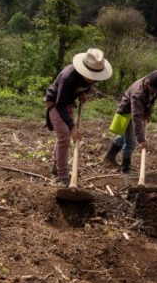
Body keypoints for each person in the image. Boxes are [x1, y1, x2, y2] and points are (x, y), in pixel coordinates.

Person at [46, 49, 113, 184]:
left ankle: (56, 165)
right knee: (65, 137)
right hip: (56, 103)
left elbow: (86, 85)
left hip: (68, 103)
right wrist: (72, 127)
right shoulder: (67, 78)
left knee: (62, 138)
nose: (93, 79)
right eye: (91, 75)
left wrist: (83, 93)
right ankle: (63, 177)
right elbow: (60, 105)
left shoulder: (91, 77)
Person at [104, 70, 157, 174]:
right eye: (156, 90)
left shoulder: (154, 84)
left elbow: (151, 100)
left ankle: (109, 156)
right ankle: (125, 169)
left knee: (124, 136)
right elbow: (136, 117)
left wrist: (147, 113)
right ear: (148, 84)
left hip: (137, 110)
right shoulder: (137, 93)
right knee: (131, 142)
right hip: (127, 112)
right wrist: (141, 139)